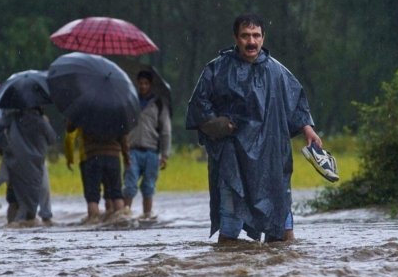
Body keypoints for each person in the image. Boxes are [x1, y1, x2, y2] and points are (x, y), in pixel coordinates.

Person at [186, 13, 322, 243]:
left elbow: (296, 101)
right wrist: (215, 124)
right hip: (233, 158)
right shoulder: (217, 69)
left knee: (283, 230)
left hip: (272, 157)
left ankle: (280, 276)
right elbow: (199, 104)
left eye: (256, 35)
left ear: (263, 37)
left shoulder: (278, 71)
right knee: (230, 228)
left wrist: (308, 129)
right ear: (235, 38)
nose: (251, 41)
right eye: (245, 36)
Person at [0, 107, 56, 225]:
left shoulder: (10, 118)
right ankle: (39, 221)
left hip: (14, 164)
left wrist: (3, 148)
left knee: (14, 200)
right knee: (33, 199)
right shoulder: (39, 120)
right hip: (36, 165)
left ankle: (12, 228)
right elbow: (52, 139)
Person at [123, 70, 172, 221]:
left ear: (150, 85)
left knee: (148, 187)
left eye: (146, 83)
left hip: (152, 152)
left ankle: (146, 217)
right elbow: (123, 126)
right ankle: (124, 217)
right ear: (137, 84)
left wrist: (164, 154)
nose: (143, 86)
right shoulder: (131, 102)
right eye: (141, 83)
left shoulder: (158, 104)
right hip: (132, 150)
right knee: (130, 186)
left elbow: (166, 130)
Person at [64, 121, 130, 225]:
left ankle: (94, 226)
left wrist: (70, 158)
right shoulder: (115, 110)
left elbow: (70, 132)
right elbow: (123, 136)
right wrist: (126, 156)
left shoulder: (83, 110)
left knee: (92, 196)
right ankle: (121, 223)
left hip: (91, 156)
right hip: (113, 155)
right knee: (116, 194)